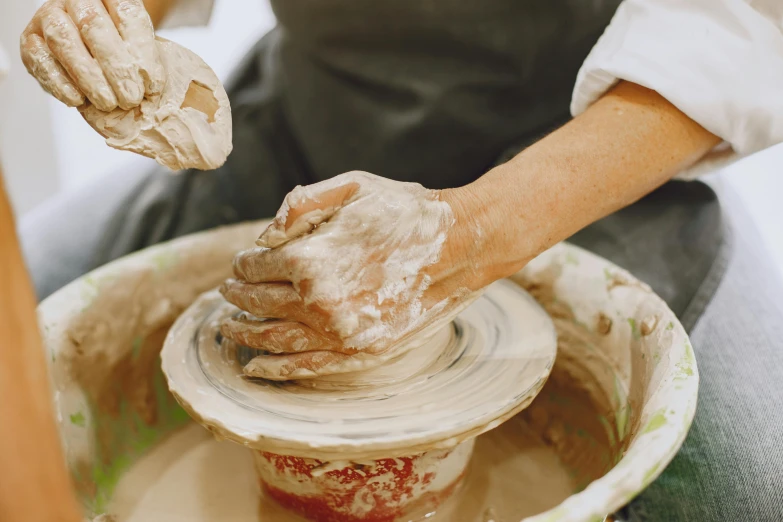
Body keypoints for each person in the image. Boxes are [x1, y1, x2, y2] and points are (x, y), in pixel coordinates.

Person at [18, 0, 783, 520]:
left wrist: (471, 234)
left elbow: (739, 20)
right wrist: (111, 24)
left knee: (744, 493)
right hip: (312, 113)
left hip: (589, 146)